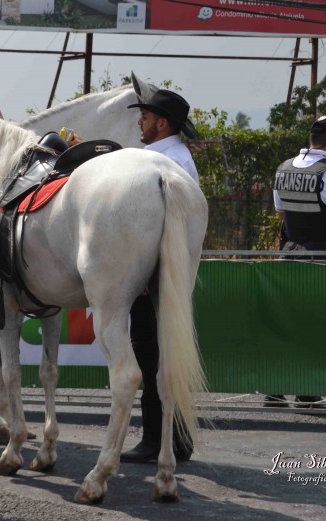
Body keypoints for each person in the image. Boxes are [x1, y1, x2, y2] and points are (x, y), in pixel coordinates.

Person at [264, 115, 326, 409]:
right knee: (318, 323)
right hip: (325, 259)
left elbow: (281, 213)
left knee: (288, 321)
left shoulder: (283, 169)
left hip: (289, 254)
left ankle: (275, 388)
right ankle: (307, 393)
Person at [120, 88, 200, 464]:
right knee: (167, 353)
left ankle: (156, 438)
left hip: (154, 276)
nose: (141, 121)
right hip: (170, 275)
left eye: (146, 117)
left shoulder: (155, 164)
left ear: (162, 123)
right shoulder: (178, 159)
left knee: (150, 355)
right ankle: (177, 438)